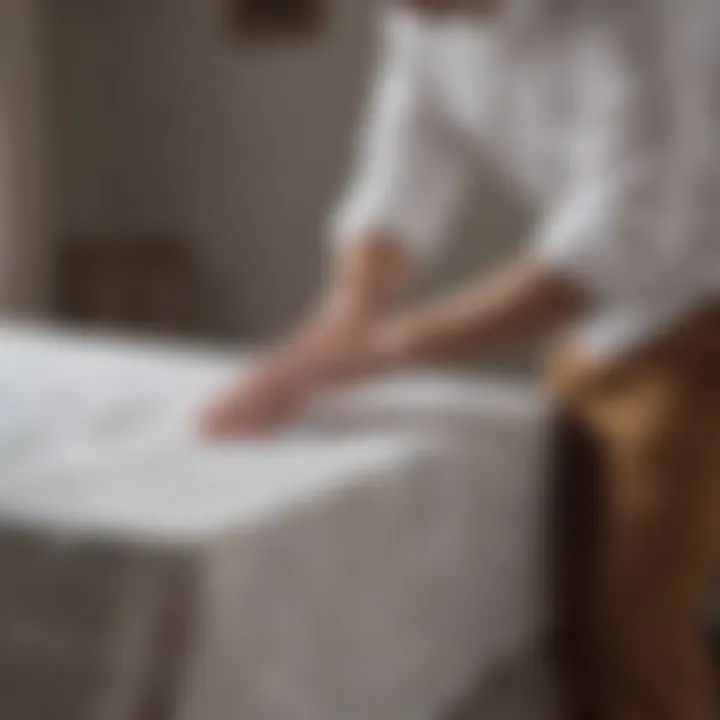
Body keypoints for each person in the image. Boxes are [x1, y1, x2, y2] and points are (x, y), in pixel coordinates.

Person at [201, 0, 720, 717]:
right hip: (599, 321)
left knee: (631, 632)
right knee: (561, 613)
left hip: (700, 315)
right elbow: (406, 157)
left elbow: (632, 231)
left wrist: (385, 352)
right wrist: (342, 319)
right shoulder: (415, 13)